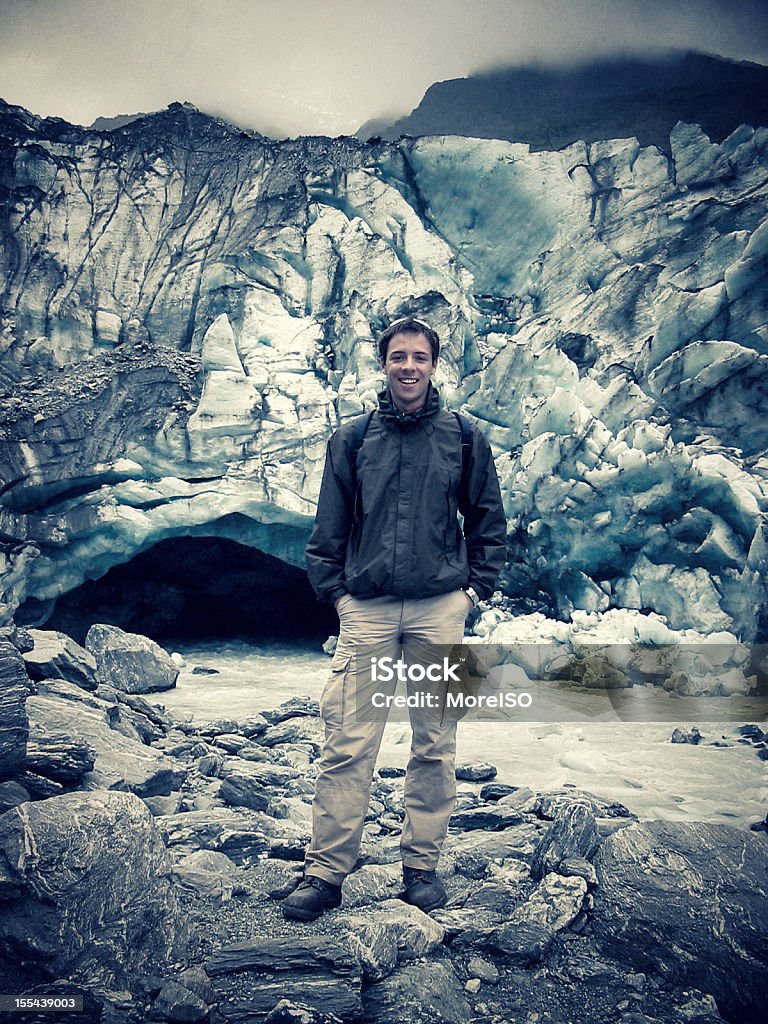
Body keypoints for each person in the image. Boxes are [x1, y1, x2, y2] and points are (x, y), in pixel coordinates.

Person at [282, 315, 507, 921]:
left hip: (441, 608)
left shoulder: (463, 437)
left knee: (436, 740)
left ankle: (421, 868)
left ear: (435, 366)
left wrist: (473, 594)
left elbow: (488, 522)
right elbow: (327, 531)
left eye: (420, 357)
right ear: (382, 364)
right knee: (348, 742)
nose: (409, 366)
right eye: (397, 356)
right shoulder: (353, 440)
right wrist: (339, 597)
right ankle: (326, 873)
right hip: (369, 610)